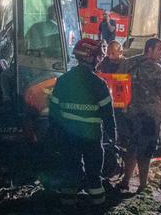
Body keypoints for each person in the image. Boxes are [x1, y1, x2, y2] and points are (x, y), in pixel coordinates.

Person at [49, 39, 116, 205]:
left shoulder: (63, 80)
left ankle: (68, 212)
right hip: (91, 138)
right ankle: (98, 213)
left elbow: (54, 111)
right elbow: (108, 115)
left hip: (68, 136)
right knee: (94, 176)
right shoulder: (99, 84)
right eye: (97, 56)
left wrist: (55, 133)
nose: (99, 60)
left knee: (70, 174)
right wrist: (113, 136)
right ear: (89, 57)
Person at [116, 38, 161, 194]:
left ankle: (125, 181)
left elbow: (117, 87)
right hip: (149, 117)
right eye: (159, 49)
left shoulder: (127, 63)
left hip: (128, 114)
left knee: (131, 147)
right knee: (146, 150)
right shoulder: (156, 69)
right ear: (149, 49)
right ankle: (143, 185)